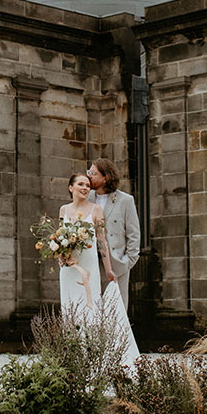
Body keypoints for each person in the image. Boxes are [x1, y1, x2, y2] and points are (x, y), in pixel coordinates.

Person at [59, 172, 138, 368]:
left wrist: (109, 270)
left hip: (90, 268)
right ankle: (71, 358)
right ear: (71, 188)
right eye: (80, 184)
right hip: (69, 270)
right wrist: (61, 255)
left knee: (89, 309)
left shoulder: (95, 210)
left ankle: (91, 358)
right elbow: (60, 237)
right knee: (70, 310)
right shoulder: (63, 209)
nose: (85, 188)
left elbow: (102, 242)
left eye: (87, 185)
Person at [86, 158, 141, 309]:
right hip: (91, 264)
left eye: (93, 173)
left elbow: (134, 235)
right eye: (88, 172)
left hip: (117, 265)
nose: (89, 176)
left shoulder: (125, 200)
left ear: (106, 178)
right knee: (92, 310)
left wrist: (127, 262)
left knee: (117, 311)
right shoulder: (86, 197)